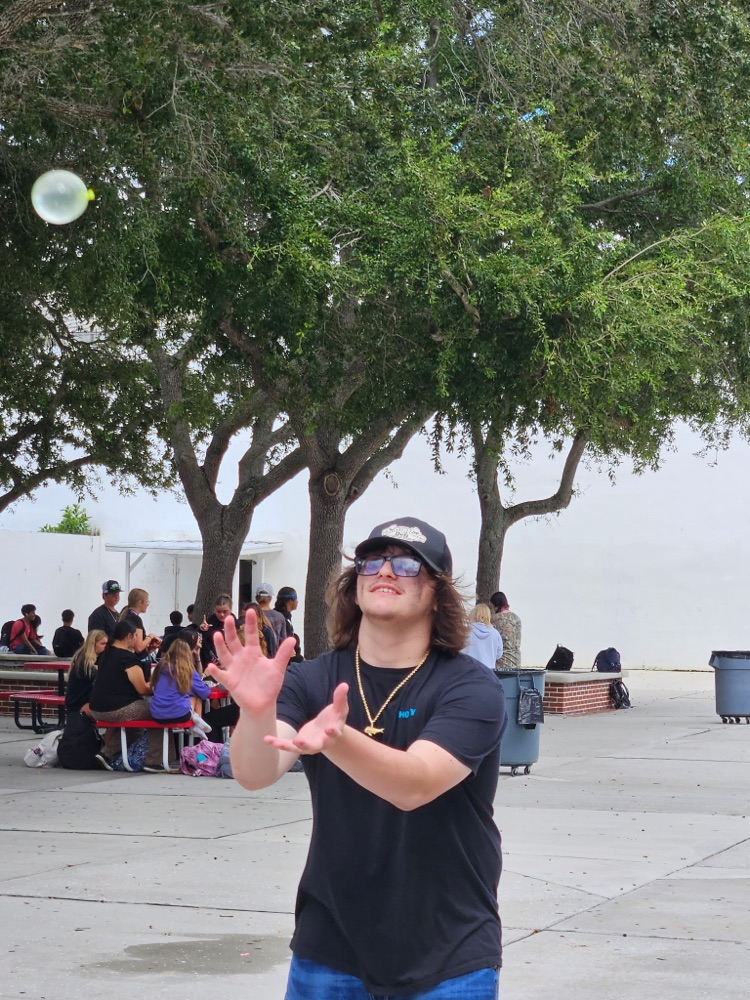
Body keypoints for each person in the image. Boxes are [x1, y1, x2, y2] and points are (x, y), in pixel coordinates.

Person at [209, 516, 507, 999]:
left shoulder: (471, 687)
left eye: (407, 564)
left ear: (437, 592)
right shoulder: (311, 679)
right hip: (330, 947)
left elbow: (416, 783)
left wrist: (337, 739)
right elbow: (254, 772)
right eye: (372, 561)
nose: (385, 571)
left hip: (449, 951)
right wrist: (256, 710)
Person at [89, 620, 173, 772]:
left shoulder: (106, 654)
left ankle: (106, 754)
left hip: (96, 708)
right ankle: (153, 760)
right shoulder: (127, 659)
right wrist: (157, 685)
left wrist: (145, 652)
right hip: (118, 708)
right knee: (160, 713)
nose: (137, 639)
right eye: (135, 636)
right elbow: (142, 689)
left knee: (135, 726)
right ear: (129, 637)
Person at [57, 630, 108, 769]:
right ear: (93, 645)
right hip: (79, 705)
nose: (106, 647)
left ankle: (107, 749)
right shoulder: (87, 665)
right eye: (103, 643)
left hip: (78, 703)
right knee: (113, 714)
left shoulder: (82, 659)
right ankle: (107, 751)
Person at [150, 638, 212, 740]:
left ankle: (195, 718)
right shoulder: (187, 670)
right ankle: (195, 720)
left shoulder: (160, 667)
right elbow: (204, 693)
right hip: (180, 713)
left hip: (157, 714)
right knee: (196, 696)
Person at [118, 588, 160, 678]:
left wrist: (149, 648)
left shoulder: (126, 616)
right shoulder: (136, 619)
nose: (147, 605)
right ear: (140, 603)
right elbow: (139, 648)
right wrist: (150, 637)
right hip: (139, 664)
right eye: (147, 602)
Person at [463, 604, 503, 670]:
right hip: (488, 671)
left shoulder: (465, 632)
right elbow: (498, 655)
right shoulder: (495, 634)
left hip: (469, 671)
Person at [199, 594, 235, 667]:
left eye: (225, 611)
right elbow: (203, 646)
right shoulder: (209, 623)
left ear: (231, 609)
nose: (222, 614)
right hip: (212, 663)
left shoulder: (236, 623)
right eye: (218, 611)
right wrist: (202, 631)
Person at [489, 592, 522, 670]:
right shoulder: (517, 618)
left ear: (496, 605)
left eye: (493, 606)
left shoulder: (494, 619)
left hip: (501, 663)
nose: (493, 609)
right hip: (516, 661)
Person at [274, 586, 304, 662]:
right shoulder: (283, 619)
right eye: (296, 599)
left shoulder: (279, 616)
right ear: (290, 601)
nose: (297, 602)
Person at [255, 583, 287, 650]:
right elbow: (283, 642)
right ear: (270, 598)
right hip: (274, 654)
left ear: (256, 598)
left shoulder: (250, 615)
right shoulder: (279, 616)